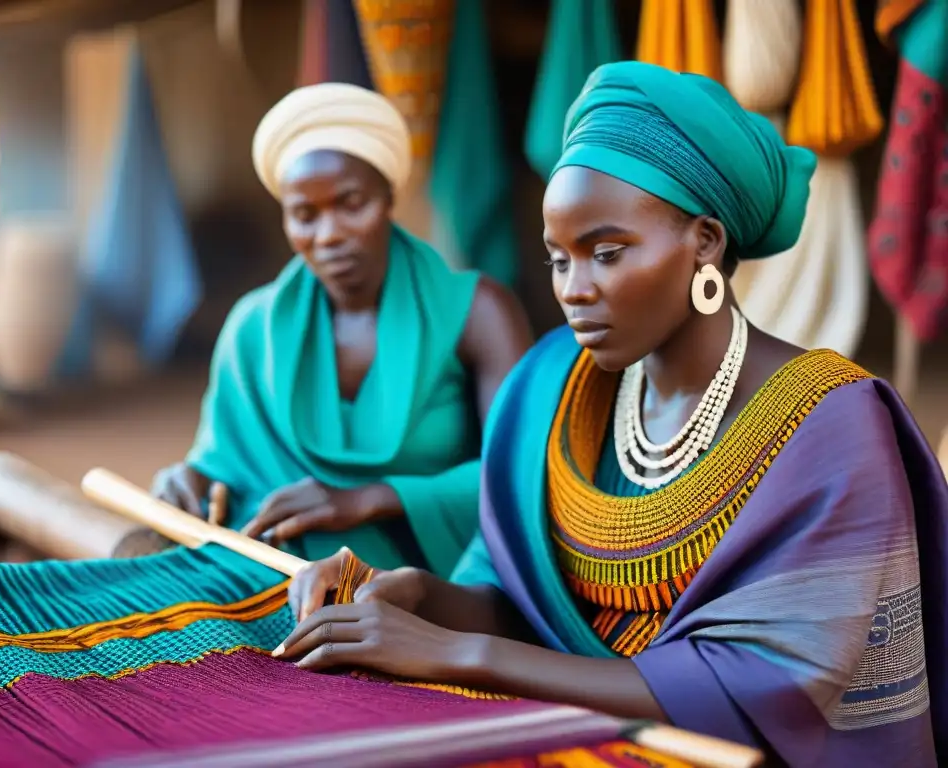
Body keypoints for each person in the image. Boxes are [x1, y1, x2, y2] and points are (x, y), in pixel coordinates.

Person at [272, 62, 948, 766]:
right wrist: (416, 595)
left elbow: (767, 686)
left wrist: (461, 653)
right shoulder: (550, 386)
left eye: (606, 253)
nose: (574, 289)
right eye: (558, 259)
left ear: (706, 244)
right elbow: (522, 600)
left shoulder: (833, 424)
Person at [114, 83, 532, 578]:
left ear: (387, 197)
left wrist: (368, 501)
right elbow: (223, 465)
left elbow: (521, 477)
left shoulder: (478, 312)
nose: (329, 234)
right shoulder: (254, 330)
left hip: (428, 589)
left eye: (351, 202)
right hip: (270, 574)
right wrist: (187, 481)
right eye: (305, 215)